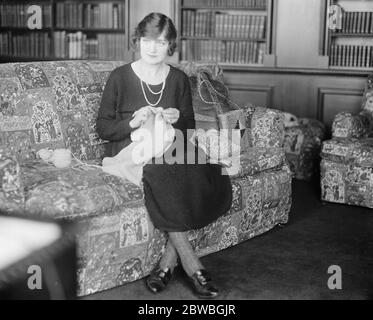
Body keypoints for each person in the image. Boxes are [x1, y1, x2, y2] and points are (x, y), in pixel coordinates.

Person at [96, 12, 232, 299]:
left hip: (168, 144)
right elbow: (104, 128)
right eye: (146, 40)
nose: (152, 47)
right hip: (129, 149)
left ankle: (166, 265)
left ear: (170, 45)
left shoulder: (179, 79)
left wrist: (176, 117)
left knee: (204, 169)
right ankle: (194, 266)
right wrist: (133, 121)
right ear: (137, 41)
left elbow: (188, 129)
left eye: (160, 42)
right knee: (163, 172)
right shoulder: (120, 77)